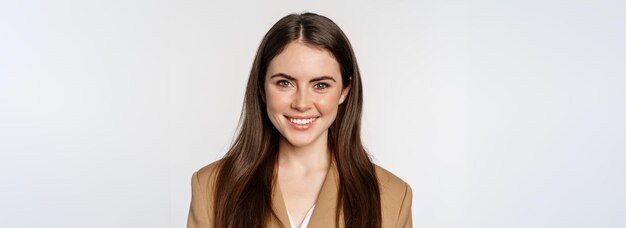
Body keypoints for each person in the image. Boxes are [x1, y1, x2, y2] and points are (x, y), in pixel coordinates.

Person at [188, 12, 412, 228]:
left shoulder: (391, 196)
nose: (302, 103)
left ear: (345, 90)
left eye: (321, 85)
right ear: (261, 88)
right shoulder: (211, 187)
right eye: (285, 83)